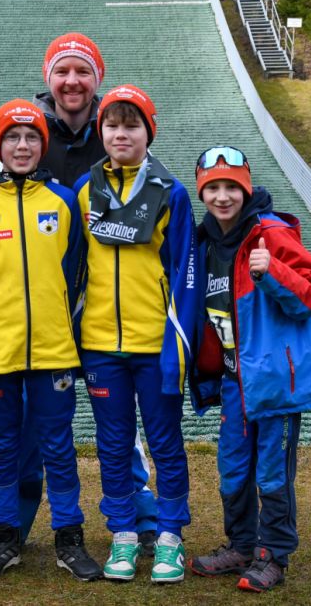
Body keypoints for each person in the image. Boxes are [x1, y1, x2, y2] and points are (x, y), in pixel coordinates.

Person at [0, 32, 159, 559]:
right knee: (24, 426)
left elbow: (156, 192)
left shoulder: (118, 125)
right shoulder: (26, 128)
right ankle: (7, 525)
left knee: (120, 422)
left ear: (96, 78)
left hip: (102, 304)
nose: (72, 81)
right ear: (48, 78)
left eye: (82, 71)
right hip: (36, 303)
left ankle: (140, 517)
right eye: (62, 72)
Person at [0, 99, 102, 581]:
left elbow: (76, 270)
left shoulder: (63, 201)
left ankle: (69, 538)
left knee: (58, 446)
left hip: (53, 348)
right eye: (12, 138)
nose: (22, 146)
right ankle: (5, 537)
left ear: (43, 146)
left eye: (31, 138)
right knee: (0, 446)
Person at [185, 146, 311, 592]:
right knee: (231, 469)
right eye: (213, 188)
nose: (223, 197)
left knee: (271, 473)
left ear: (246, 189)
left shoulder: (271, 232)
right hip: (233, 382)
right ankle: (241, 545)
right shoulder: (202, 241)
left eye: (232, 187)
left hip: (273, 383)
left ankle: (273, 555)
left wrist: (272, 273)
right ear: (202, 192)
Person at [75, 85, 199, 584]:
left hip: (155, 345)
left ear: (150, 130)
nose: (120, 134)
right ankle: (123, 535)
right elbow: (74, 270)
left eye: (131, 125)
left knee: (166, 443)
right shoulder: (86, 191)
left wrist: (177, 345)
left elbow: (185, 274)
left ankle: (169, 537)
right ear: (100, 132)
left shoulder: (172, 193)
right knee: (113, 443)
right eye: (111, 125)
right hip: (100, 345)